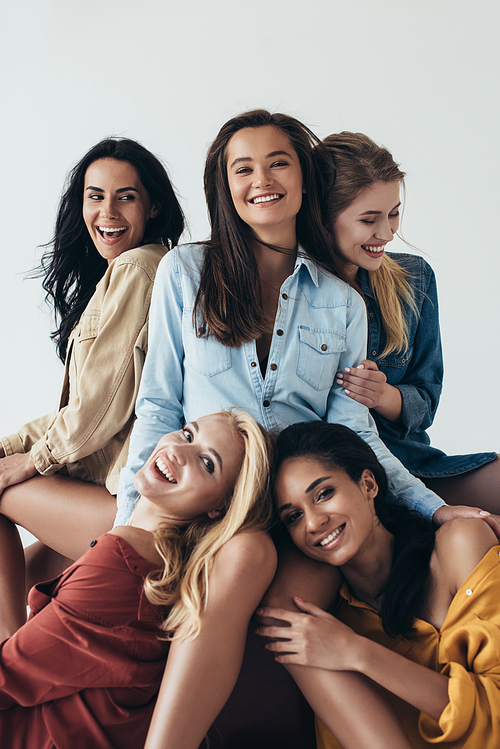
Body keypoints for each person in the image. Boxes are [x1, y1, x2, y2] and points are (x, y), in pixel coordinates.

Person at [115, 110, 488, 748]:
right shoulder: (183, 275)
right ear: (224, 186)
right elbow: (157, 405)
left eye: (279, 162)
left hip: (289, 508)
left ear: (305, 179)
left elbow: (356, 434)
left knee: (291, 612)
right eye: (243, 168)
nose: (262, 179)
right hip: (202, 495)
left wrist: (434, 509)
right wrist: (137, 519)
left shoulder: (342, 304)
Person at [0, 410, 276, 749]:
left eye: (207, 463)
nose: (179, 450)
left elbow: (7, 677)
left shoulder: (121, 563)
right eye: (188, 434)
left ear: (219, 508)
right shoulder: (160, 569)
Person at [0, 138, 185, 639]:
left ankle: (3, 666)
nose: (107, 211)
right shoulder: (144, 269)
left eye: (126, 196)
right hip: (115, 495)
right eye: (95, 195)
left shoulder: (137, 268)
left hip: (125, 505)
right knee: (28, 579)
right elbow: (84, 403)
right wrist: (10, 447)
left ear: (153, 206)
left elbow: (99, 407)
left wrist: (30, 462)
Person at [257, 420, 500, 748]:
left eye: (324, 493)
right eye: (294, 517)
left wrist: (357, 652)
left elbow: (495, 707)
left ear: (368, 484)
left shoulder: (458, 545)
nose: (314, 522)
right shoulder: (327, 622)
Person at [317, 132, 499, 509]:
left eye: (394, 213)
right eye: (369, 219)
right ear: (321, 217)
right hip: (335, 480)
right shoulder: (298, 293)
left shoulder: (415, 279)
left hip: (413, 464)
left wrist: (384, 396)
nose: (386, 233)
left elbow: (426, 400)